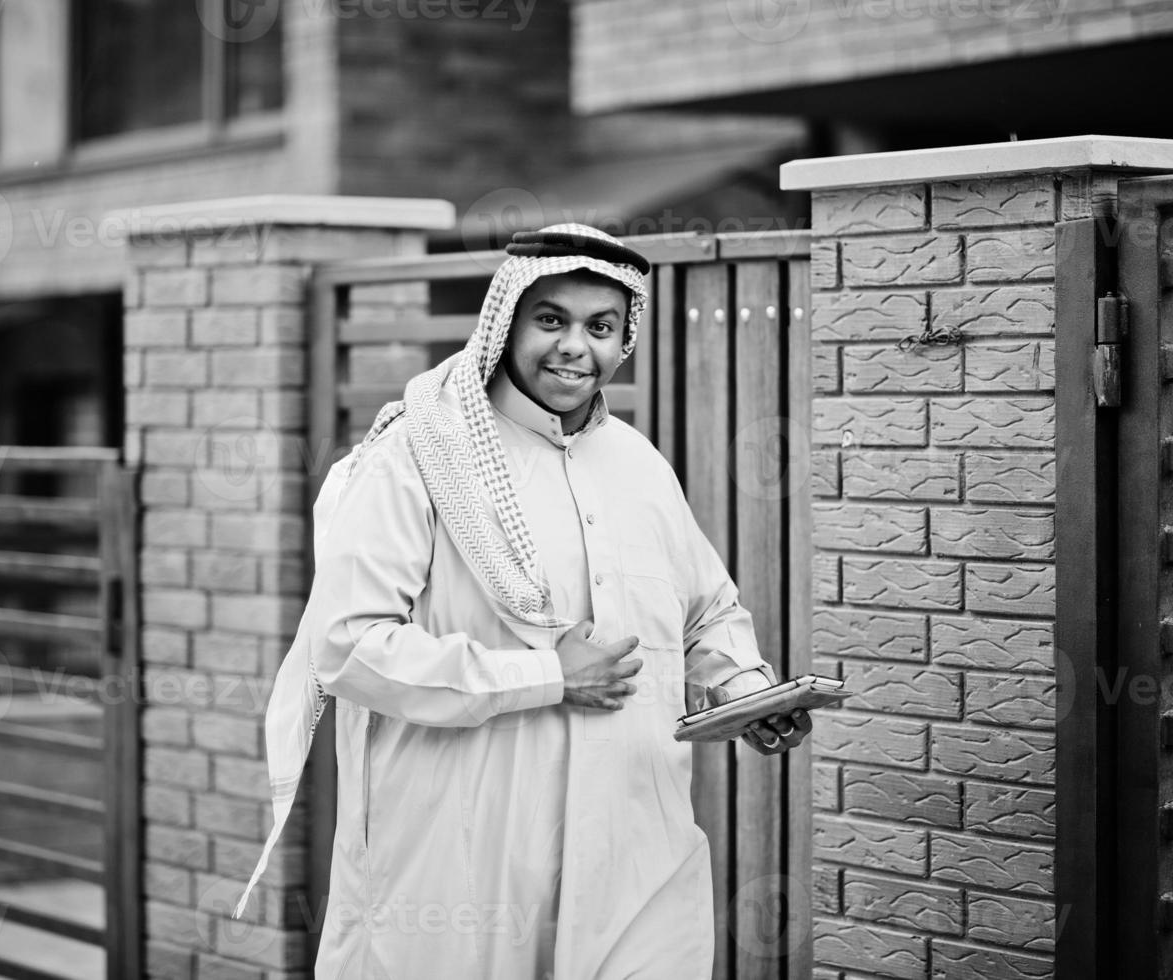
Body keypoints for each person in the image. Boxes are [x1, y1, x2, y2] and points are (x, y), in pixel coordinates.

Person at [236, 224, 813, 978]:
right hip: (467, 852)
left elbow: (704, 611)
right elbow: (346, 647)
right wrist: (547, 676)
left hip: (637, 845)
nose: (576, 347)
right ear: (505, 321)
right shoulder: (416, 452)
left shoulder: (636, 463)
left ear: (623, 340)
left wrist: (748, 692)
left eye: (600, 327)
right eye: (551, 320)